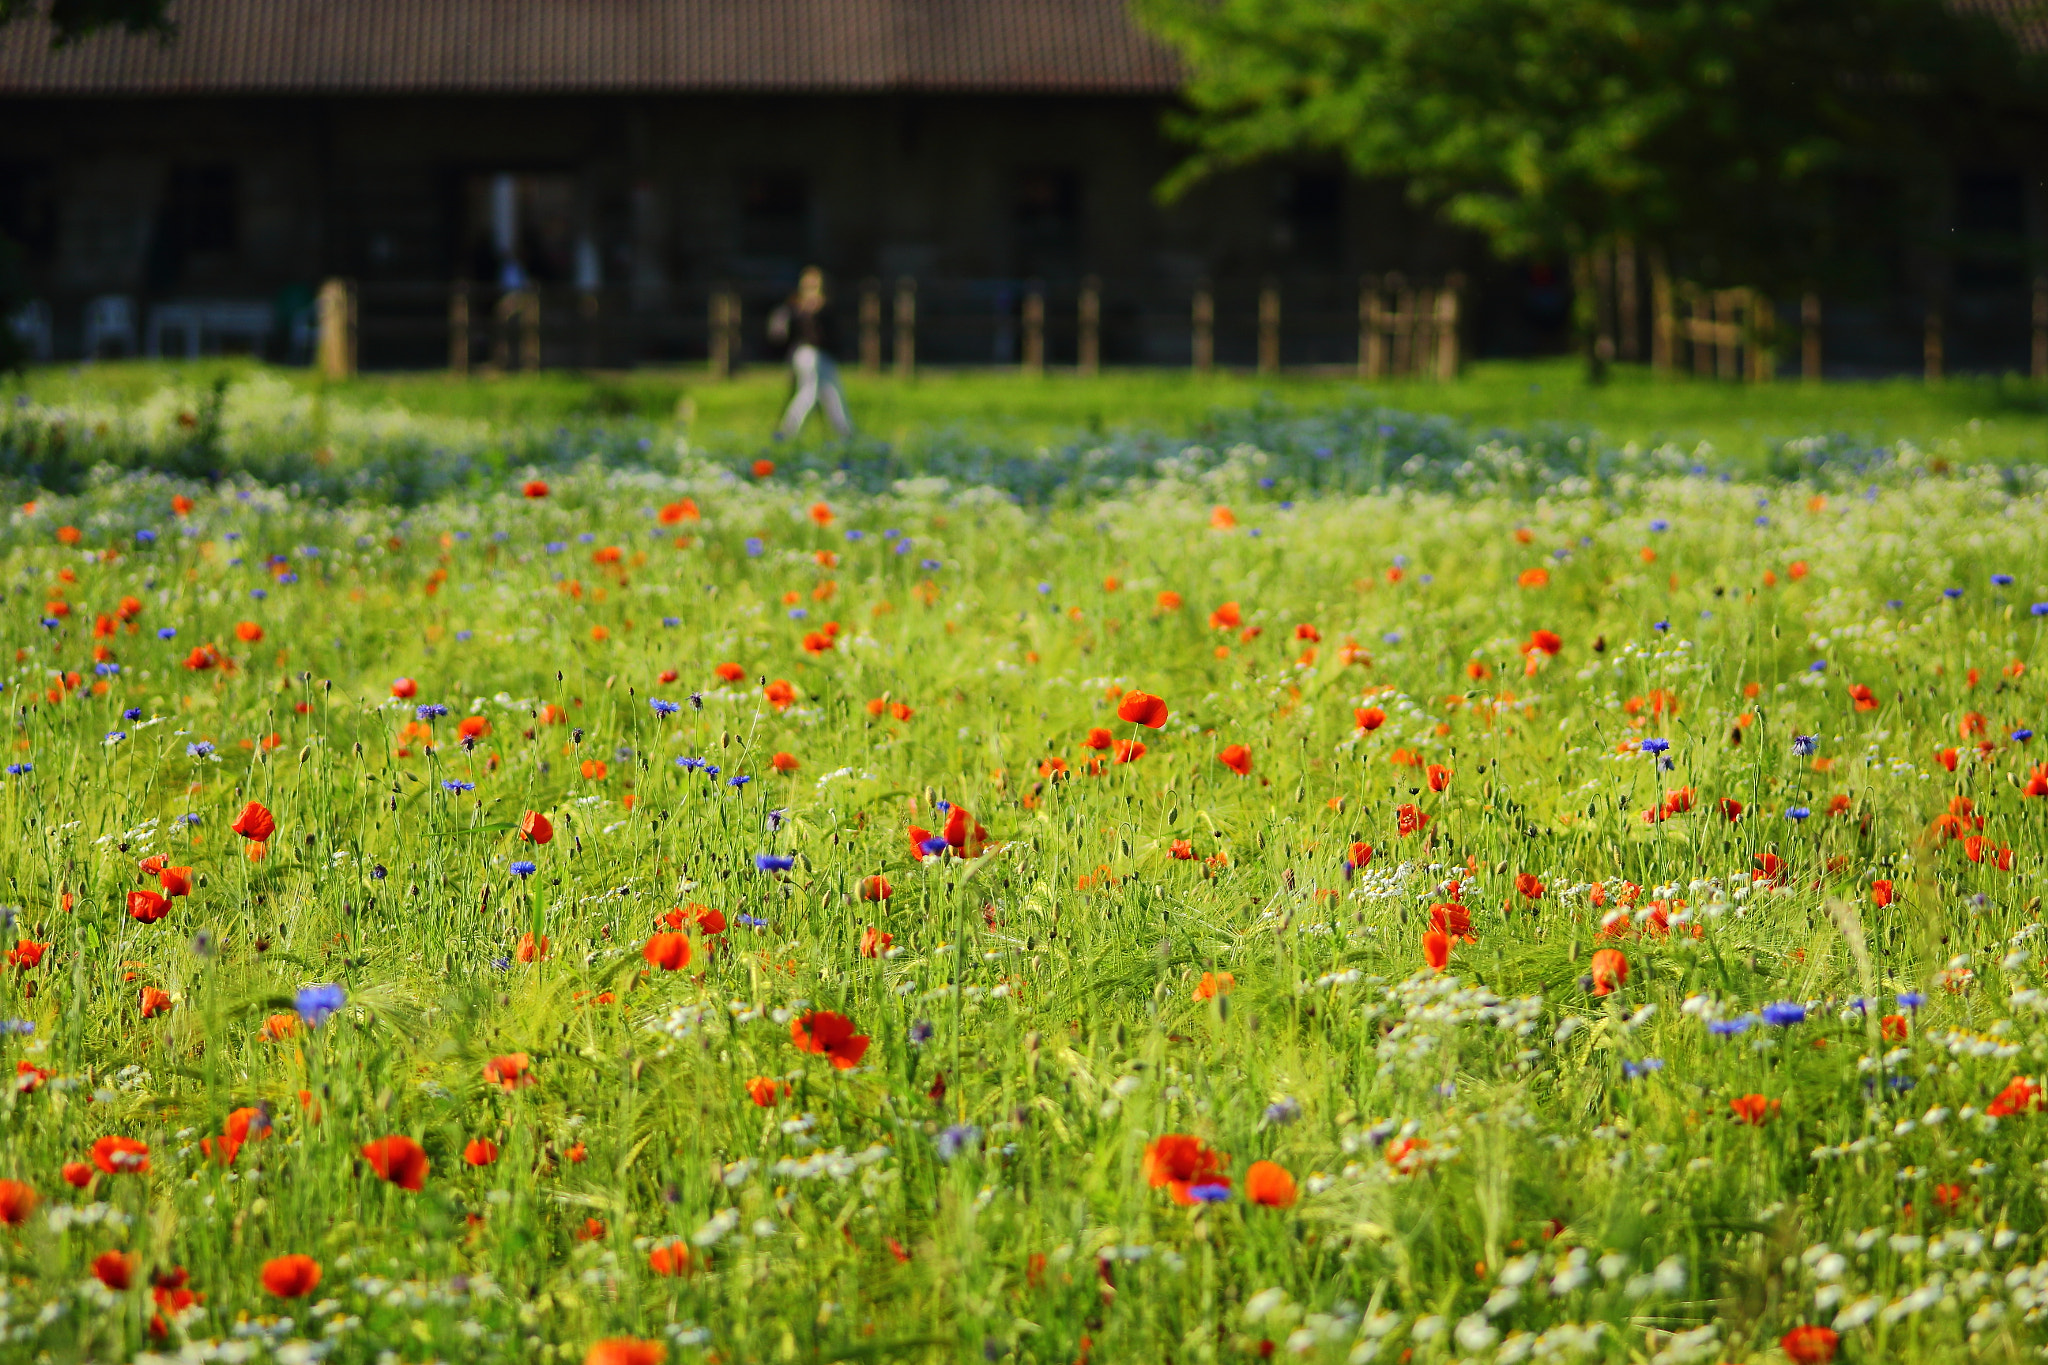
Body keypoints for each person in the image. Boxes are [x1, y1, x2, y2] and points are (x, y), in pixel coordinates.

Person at [767, 266, 853, 440]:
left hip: (823, 355)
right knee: (808, 392)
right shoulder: (797, 306)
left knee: (832, 393)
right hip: (808, 354)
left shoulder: (824, 306)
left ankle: (845, 432)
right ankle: (787, 430)